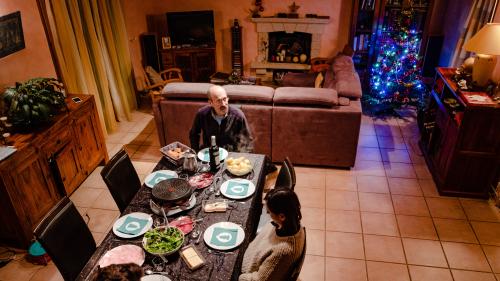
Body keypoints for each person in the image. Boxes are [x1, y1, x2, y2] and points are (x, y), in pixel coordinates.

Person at [239, 188, 305, 281]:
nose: (268, 214)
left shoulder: (283, 252)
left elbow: (259, 280)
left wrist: (238, 277)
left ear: (282, 216)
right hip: (251, 257)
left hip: (247, 273)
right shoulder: (294, 224)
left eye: (269, 212)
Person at [189, 85, 253, 152]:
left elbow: (247, 140)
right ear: (210, 103)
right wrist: (195, 152)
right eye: (219, 101)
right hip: (209, 153)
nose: (223, 104)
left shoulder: (238, 116)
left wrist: (241, 157)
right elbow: (194, 134)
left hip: (230, 155)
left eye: (224, 99)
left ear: (228, 99)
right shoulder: (202, 114)